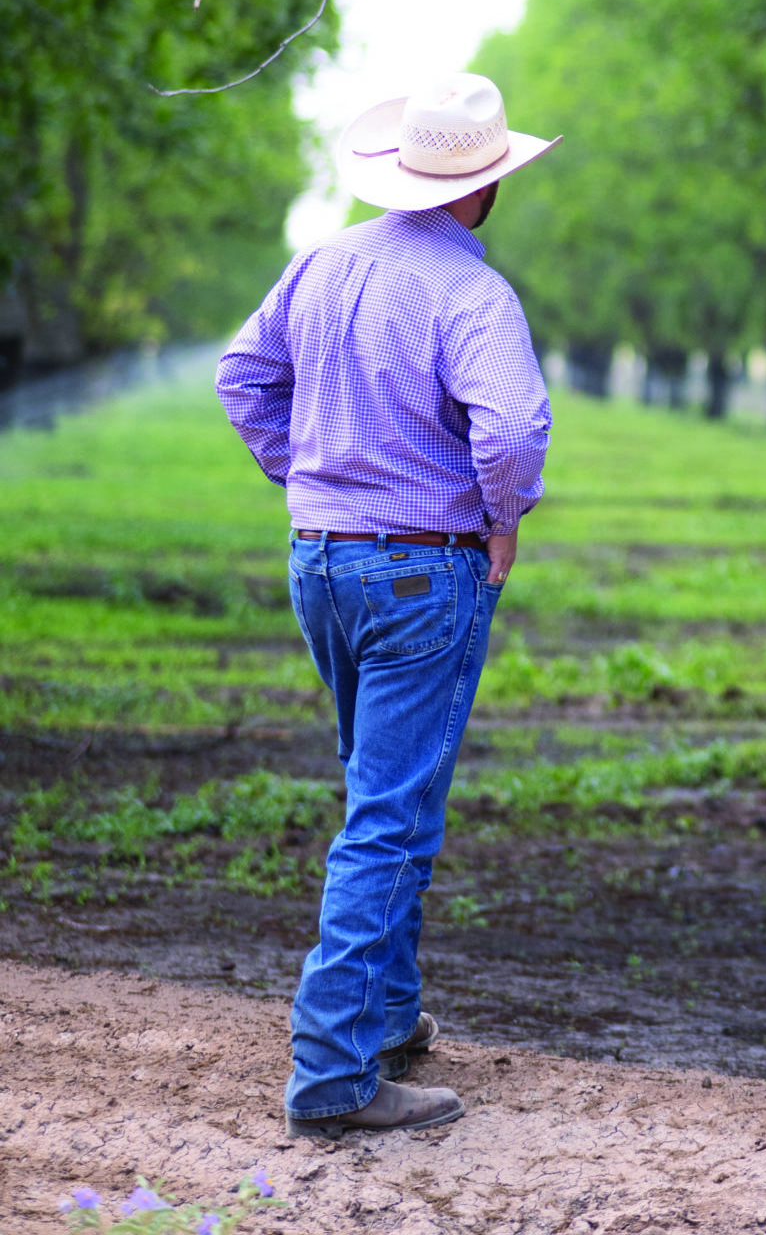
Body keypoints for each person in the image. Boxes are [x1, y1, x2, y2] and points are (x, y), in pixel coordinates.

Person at [217, 74, 560, 1138]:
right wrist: (503, 518)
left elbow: (242, 376)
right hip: (421, 571)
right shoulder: (473, 292)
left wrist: (311, 478)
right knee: (392, 815)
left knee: (378, 788)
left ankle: (390, 1017)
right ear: (483, 185)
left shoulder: (323, 261)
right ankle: (332, 1072)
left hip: (320, 563)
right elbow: (511, 430)